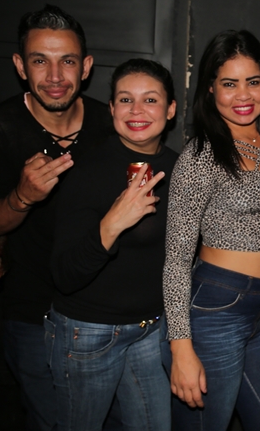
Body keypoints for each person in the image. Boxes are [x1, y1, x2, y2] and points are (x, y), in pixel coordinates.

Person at [0, 4, 113, 431]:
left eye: (67, 61)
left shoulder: (112, 124)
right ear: (20, 66)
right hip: (34, 313)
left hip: (104, 311)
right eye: (39, 61)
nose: (54, 76)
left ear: (86, 66)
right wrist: (22, 197)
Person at [163, 30, 260, 431]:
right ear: (210, 88)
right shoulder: (201, 156)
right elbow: (176, 260)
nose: (243, 95)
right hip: (214, 311)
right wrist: (181, 349)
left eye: (252, 81)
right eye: (229, 83)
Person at [46, 59, 178, 431]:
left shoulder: (181, 168)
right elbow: (64, 275)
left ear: (170, 110)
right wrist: (112, 223)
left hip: (150, 330)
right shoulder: (87, 169)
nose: (136, 110)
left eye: (150, 100)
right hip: (87, 333)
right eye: (125, 99)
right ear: (112, 108)